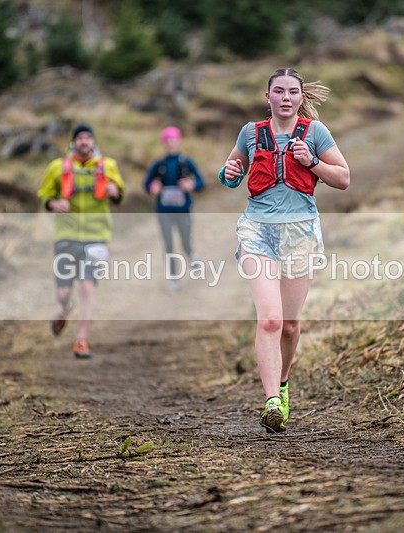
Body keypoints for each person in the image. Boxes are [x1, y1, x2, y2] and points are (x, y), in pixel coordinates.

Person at [218, 67, 350, 432]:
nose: (286, 97)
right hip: (256, 231)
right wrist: (228, 175)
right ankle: (271, 401)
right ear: (268, 97)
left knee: (290, 326)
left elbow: (343, 178)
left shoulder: (316, 133)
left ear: (301, 97)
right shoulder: (250, 133)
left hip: (300, 233)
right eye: (279, 91)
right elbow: (231, 171)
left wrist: (313, 162)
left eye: (293, 91)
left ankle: (283, 383)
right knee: (271, 319)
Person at [37, 123, 125, 358]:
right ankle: (65, 308)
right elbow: (45, 194)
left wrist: (114, 191)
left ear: (94, 142)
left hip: (96, 237)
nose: (84, 141)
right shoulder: (57, 167)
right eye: (80, 138)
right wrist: (55, 204)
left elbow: (119, 193)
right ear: (74, 142)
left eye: (88, 137)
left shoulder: (108, 166)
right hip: (66, 236)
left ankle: (81, 340)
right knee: (64, 292)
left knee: (87, 287)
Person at [143, 126, 205, 292]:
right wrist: (152, 187)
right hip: (164, 211)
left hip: (183, 211)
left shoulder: (186, 162)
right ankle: (174, 279)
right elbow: (147, 183)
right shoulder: (159, 164)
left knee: (185, 243)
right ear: (163, 143)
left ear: (179, 142)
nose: (170, 144)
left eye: (173, 140)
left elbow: (201, 182)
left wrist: (192, 185)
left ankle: (191, 255)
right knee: (169, 245)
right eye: (167, 141)